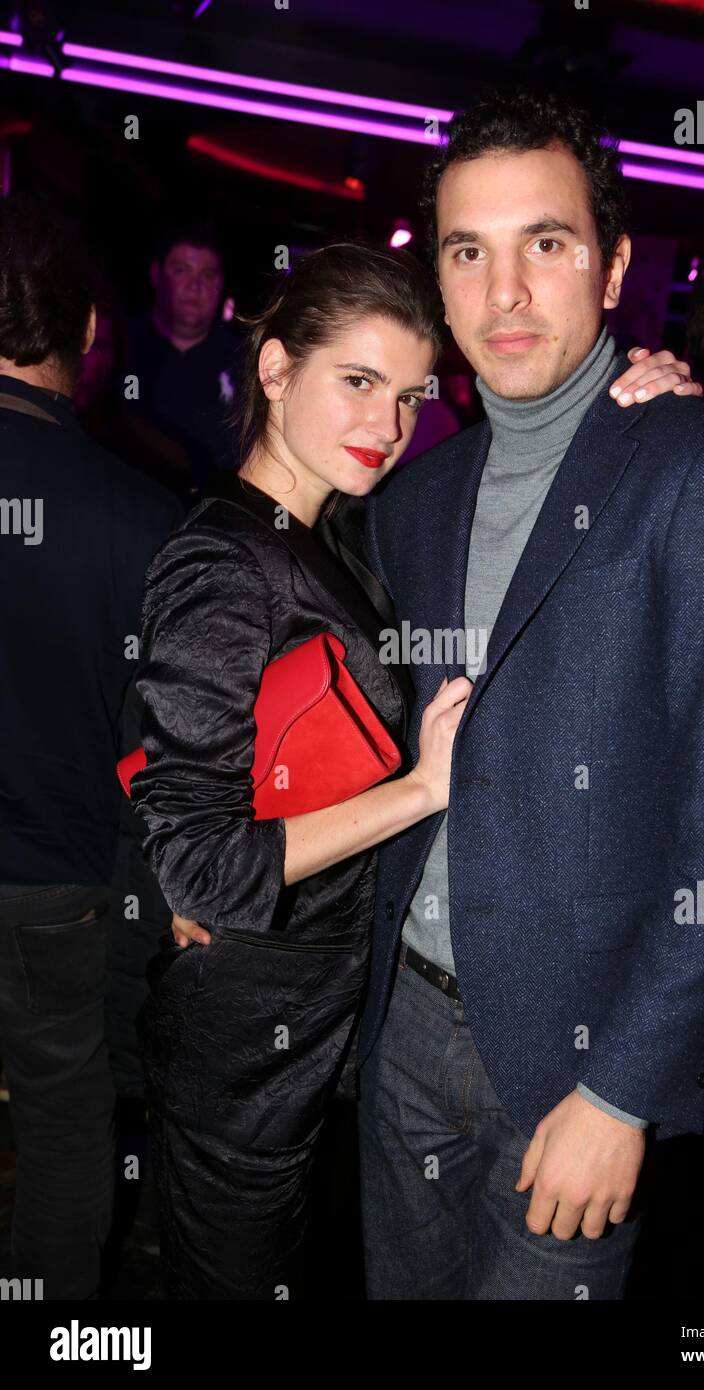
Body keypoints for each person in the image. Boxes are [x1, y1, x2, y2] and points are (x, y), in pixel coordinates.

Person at [130, 233, 700, 1299]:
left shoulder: (337, 531)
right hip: (243, 1049)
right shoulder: (223, 559)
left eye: (405, 395)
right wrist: (417, 791)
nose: (384, 428)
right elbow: (198, 865)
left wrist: (642, 385)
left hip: (317, 1036)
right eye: (355, 382)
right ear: (273, 370)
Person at [354, 87, 704, 1301]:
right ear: (440, 279)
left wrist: (623, 1090)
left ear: (611, 269)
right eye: (469, 252)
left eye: (543, 245)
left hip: (574, 1057)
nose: (503, 294)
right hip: (397, 1027)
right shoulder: (414, 492)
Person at [0, 192, 183, 1300]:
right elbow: (157, 748)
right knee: (68, 1122)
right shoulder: (141, 514)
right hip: (58, 882)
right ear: (87, 338)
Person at [122, 222, 242, 499]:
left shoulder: (245, 363)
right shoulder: (119, 347)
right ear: (156, 274)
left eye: (208, 274)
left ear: (221, 283)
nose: (194, 286)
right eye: (181, 270)